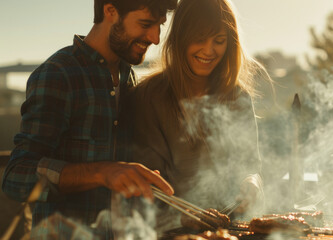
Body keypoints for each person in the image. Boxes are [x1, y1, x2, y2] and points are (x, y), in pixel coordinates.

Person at [1, 0, 177, 238]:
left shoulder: (129, 78)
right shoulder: (58, 73)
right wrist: (101, 172)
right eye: (145, 24)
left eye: (159, 26)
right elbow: (16, 177)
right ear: (110, 11)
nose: (155, 38)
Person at [131, 0, 267, 230]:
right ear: (180, 38)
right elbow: (145, 190)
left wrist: (253, 182)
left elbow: (250, 166)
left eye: (219, 41)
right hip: (167, 233)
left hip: (230, 230)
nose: (209, 50)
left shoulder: (237, 97)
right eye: (199, 39)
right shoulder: (149, 96)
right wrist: (180, 219)